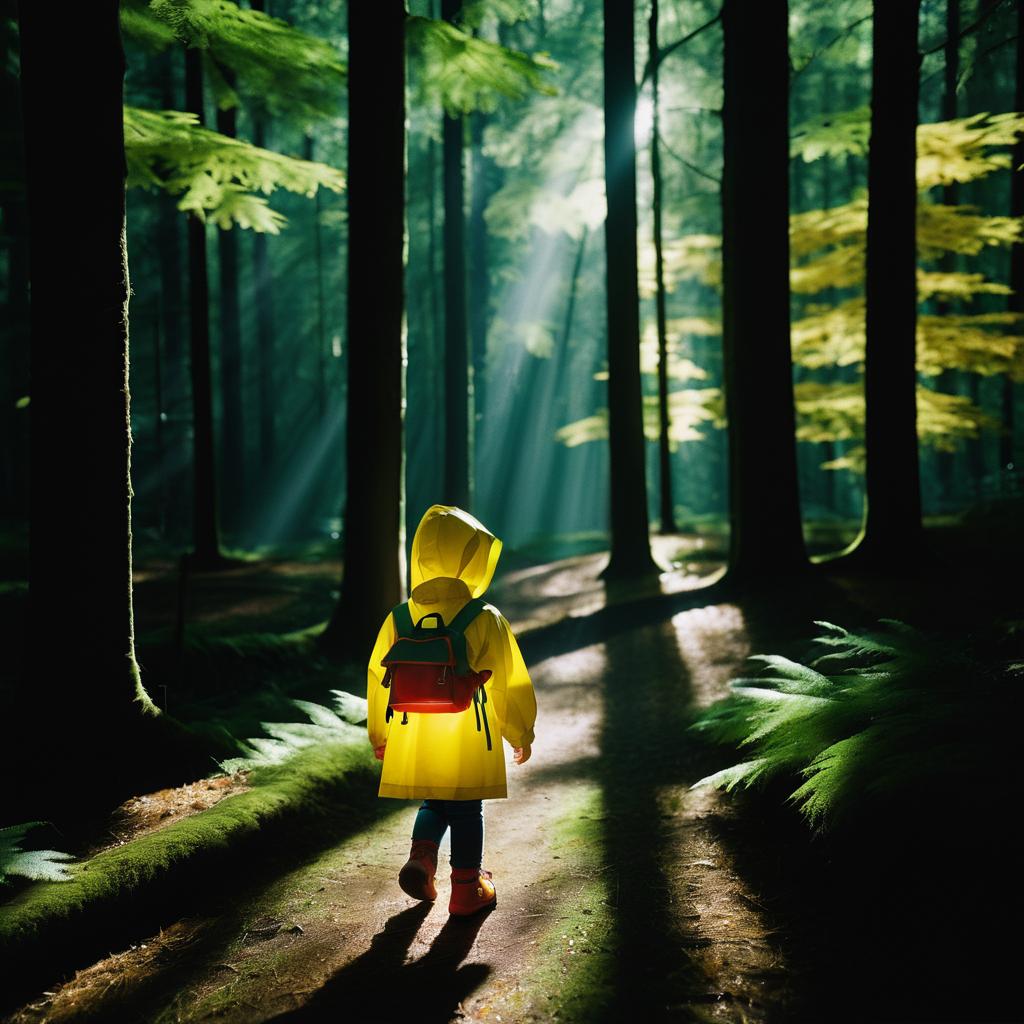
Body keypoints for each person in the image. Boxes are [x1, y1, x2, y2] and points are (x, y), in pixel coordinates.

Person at [366, 504, 537, 917]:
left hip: (413, 728)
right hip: (467, 732)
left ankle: (422, 860)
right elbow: (508, 680)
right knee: (466, 809)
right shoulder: (485, 618)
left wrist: (380, 734)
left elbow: (376, 678)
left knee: (434, 802)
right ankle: (466, 889)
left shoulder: (399, 617)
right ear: (473, 557)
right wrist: (520, 732)